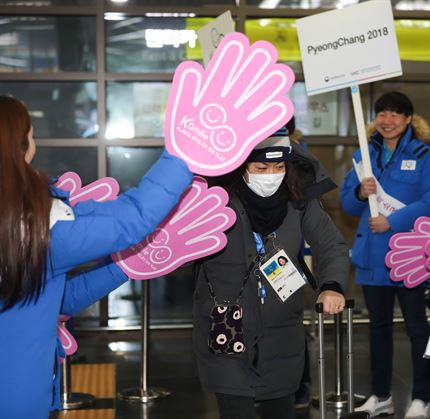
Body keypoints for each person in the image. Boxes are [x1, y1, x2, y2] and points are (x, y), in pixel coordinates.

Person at [0, 95, 193, 418]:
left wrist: (127, 264)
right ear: (20, 147)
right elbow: (132, 220)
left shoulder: (21, 226)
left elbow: (56, 299)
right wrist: (187, 153)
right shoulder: (36, 233)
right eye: (31, 135)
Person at [193, 128, 349, 419]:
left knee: (281, 409)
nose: (271, 175)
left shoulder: (298, 200)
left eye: (279, 167)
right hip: (226, 322)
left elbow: (332, 245)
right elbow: (182, 248)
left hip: (282, 329)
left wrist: (332, 285)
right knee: (235, 408)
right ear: (242, 167)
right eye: (261, 167)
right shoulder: (215, 202)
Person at [340, 91, 430, 419]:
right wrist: (360, 192)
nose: (387, 121)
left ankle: (421, 399)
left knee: (416, 328)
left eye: (395, 114)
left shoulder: (427, 156)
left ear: (409, 119)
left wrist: (393, 220)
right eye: (382, 113)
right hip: (373, 258)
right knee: (377, 328)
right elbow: (346, 203)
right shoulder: (364, 155)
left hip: (410, 258)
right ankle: (381, 395)